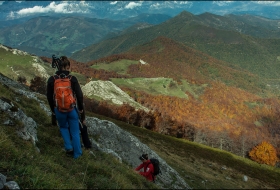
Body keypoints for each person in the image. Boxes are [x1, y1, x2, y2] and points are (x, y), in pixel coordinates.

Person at [47, 56, 84, 159]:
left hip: (59, 109)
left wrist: (53, 110)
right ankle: (77, 155)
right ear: (67, 67)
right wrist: (80, 109)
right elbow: (80, 96)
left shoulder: (52, 79)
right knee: (75, 132)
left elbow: (49, 96)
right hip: (72, 109)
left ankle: (68, 146)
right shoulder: (72, 79)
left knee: (63, 127)